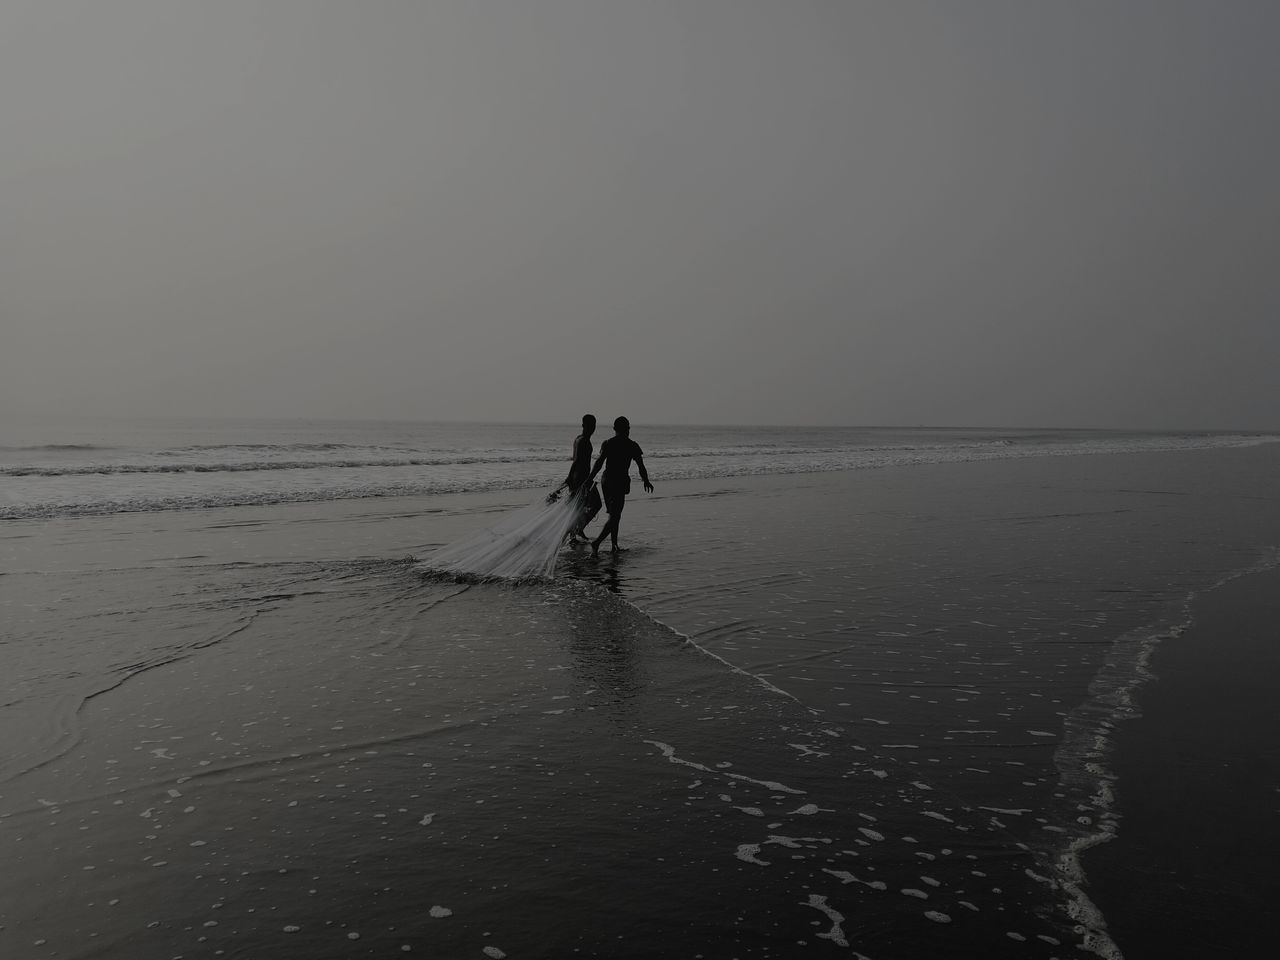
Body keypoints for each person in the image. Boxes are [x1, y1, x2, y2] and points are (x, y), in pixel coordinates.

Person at [587, 416, 653, 555]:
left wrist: (590, 478)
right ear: (625, 429)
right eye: (627, 428)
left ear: (614, 429)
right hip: (618, 482)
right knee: (615, 515)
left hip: (606, 481)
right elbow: (641, 465)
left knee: (614, 514)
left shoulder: (608, 443)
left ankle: (614, 544)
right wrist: (645, 480)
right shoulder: (632, 445)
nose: (628, 430)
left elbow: (599, 463)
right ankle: (596, 543)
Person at [547, 414, 601, 541]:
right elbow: (576, 462)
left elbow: (575, 460)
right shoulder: (585, 441)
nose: (592, 428)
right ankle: (576, 530)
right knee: (596, 504)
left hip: (578, 478)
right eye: (589, 425)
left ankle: (573, 534)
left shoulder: (578, 439)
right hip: (582, 479)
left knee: (576, 508)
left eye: (594, 426)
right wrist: (570, 478)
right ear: (583, 425)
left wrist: (570, 478)